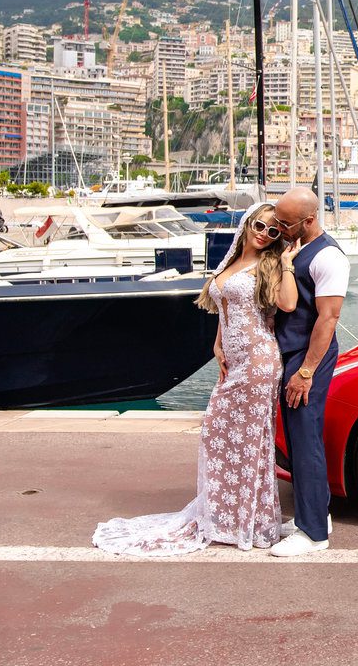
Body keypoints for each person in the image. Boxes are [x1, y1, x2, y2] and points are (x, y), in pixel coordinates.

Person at [93, 202, 296, 556]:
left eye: (273, 232)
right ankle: (224, 514)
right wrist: (217, 344)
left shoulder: (271, 264)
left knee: (250, 442)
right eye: (260, 227)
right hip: (234, 361)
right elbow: (225, 308)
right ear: (248, 225)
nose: (264, 235)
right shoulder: (232, 261)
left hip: (259, 361)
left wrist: (287, 263)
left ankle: (248, 518)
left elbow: (289, 304)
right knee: (217, 435)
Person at [267, 186, 349, 557]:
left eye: (286, 223)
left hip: (307, 358)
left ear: (309, 219)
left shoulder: (328, 256)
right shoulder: (295, 248)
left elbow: (328, 319)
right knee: (299, 440)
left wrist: (306, 372)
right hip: (293, 355)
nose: (280, 228)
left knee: (306, 442)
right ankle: (315, 514)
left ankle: (313, 533)